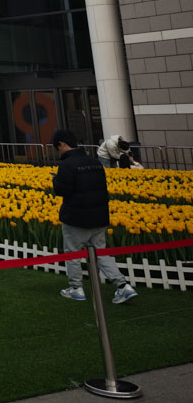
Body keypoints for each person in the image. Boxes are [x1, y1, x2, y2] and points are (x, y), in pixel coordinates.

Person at [52, 130, 138, 304]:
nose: (58, 151)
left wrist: (55, 180)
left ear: (62, 144)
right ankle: (122, 285)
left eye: (57, 147)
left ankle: (76, 288)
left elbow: (62, 190)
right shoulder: (94, 162)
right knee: (101, 253)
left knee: (73, 253)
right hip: (99, 217)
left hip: (77, 217)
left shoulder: (67, 165)